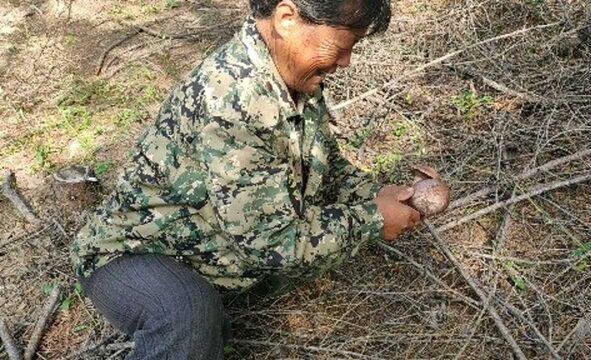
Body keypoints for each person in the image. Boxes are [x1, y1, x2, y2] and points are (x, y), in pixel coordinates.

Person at [70, 0, 423, 358]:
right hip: (132, 256)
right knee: (187, 314)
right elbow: (273, 244)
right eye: (341, 47)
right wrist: (372, 219)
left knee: (204, 308)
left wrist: (375, 194)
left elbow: (323, 164)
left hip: (209, 251)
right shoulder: (232, 99)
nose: (345, 61)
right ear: (287, 18)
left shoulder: (291, 76)